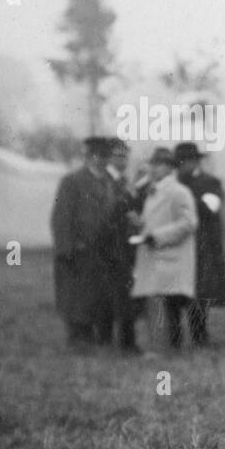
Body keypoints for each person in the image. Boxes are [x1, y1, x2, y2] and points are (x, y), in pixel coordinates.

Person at [50, 135, 118, 349]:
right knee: (77, 298)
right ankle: (79, 340)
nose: (102, 160)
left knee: (100, 297)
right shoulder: (72, 181)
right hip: (79, 251)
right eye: (97, 155)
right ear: (88, 157)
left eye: (106, 156)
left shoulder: (110, 182)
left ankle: (100, 339)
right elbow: (61, 218)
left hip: (104, 252)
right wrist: (67, 249)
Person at [131, 147, 199, 351]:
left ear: (170, 169)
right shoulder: (154, 191)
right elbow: (158, 219)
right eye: (152, 164)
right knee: (155, 303)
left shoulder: (179, 192)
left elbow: (188, 223)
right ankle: (160, 347)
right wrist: (140, 224)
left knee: (159, 303)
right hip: (156, 258)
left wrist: (157, 236)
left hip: (169, 258)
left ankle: (161, 349)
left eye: (159, 165)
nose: (153, 169)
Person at [175, 141, 225, 347]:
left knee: (201, 291)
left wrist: (184, 201)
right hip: (178, 242)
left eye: (188, 161)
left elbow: (211, 207)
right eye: (180, 163)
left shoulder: (210, 182)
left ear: (195, 162)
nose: (184, 166)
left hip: (203, 243)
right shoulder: (173, 184)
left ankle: (200, 334)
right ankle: (176, 336)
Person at [104, 138, 145, 353]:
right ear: (108, 157)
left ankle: (125, 341)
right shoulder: (106, 181)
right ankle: (124, 343)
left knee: (126, 293)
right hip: (110, 246)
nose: (123, 159)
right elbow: (109, 213)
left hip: (126, 245)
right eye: (118, 155)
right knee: (118, 295)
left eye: (125, 155)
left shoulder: (124, 181)